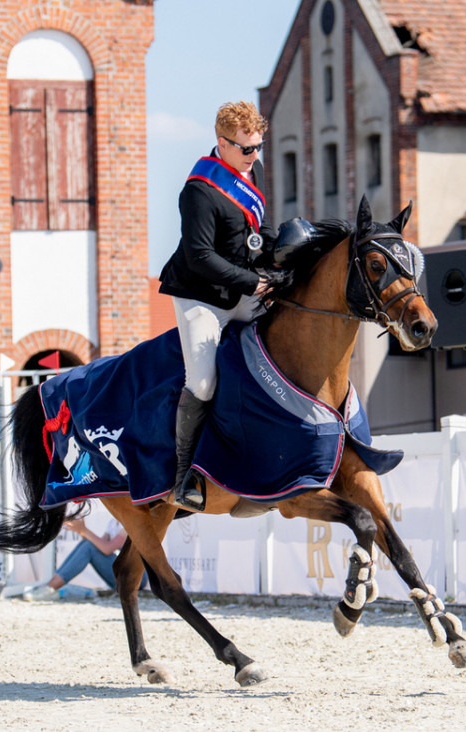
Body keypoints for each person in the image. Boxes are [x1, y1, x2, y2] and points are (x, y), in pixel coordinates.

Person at [158, 100, 278, 512]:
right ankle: (182, 476)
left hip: (240, 289)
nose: (254, 157)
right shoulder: (198, 191)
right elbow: (200, 257)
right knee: (204, 383)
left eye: (259, 146)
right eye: (246, 149)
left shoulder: (251, 172)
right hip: (200, 297)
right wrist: (252, 281)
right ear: (221, 144)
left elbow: (256, 233)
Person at [24, 511, 130, 601]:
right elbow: (98, 547)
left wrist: (83, 530)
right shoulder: (113, 522)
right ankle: (50, 587)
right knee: (87, 545)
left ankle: (50, 588)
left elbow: (107, 549)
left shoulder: (128, 522)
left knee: (88, 546)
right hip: (122, 576)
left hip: (133, 578)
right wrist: (80, 530)